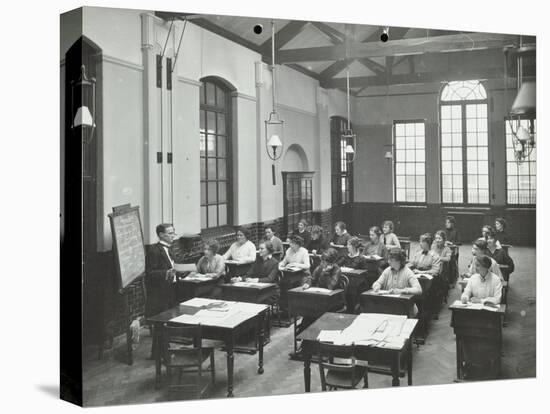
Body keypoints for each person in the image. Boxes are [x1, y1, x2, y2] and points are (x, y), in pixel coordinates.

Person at [372, 248, 422, 315]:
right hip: (390, 306)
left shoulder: (408, 272)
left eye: (391, 260)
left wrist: (402, 291)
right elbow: (378, 282)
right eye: (388, 259)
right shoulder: (387, 270)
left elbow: (419, 290)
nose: (388, 262)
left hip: (405, 307)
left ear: (399, 261)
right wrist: (376, 286)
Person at [145, 223, 178, 317]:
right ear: (161, 235)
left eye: (174, 233)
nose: (173, 236)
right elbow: (150, 273)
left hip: (173, 288)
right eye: (170, 233)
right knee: (163, 318)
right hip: (160, 292)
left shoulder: (170, 248)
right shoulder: (154, 251)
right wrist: (166, 273)